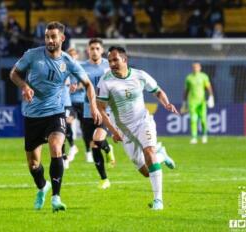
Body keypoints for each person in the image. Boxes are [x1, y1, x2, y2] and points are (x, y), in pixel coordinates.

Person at [9, 21, 102, 212]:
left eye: (53, 37)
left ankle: (56, 198)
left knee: (56, 147)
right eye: (47, 37)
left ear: (62, 38)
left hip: (56, 112)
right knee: (34, 164)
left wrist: (93, 106)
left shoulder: (68, 62)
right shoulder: (32, 55)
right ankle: (43, 188)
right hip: (33, 115)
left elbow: (88, 85)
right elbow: (14, 74)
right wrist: (24, 86)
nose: (50, 40)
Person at [96, 46, 177, 210]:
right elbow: (101, 109)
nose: (112, 63)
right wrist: (113, 130)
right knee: (145, 171)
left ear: (124, 60)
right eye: (110, 60)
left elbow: (157, 91)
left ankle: (158, 200)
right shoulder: (105, 81)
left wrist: (166, 103)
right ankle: (162, 156)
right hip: (124, 130)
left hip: (143, 122)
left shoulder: (140, 75)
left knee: (149, 152)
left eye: (115, 60)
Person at [81, 38, 115, 189]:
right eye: (92, 48)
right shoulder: (81, 67)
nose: (94, 51)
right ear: (88, 50)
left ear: (102, 50)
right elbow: (72, 81)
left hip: (104, 109)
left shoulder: (109, 66)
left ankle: (107, 148)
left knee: (98, 140)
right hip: (87, 110)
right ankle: (104, 179)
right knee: (93, 146)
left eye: (97, 48)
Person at [181, 62, 214, 144]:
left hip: (202, 101)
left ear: (200, 68)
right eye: (194, 67)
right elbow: (186, 91)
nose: (195, 69)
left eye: (197, 67)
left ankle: (204, 135)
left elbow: (208, 87)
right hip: (192, 102)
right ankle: (194, 137)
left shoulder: (204, 76)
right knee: (193, 120)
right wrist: (184, 102)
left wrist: (211, 97)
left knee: (203, 119)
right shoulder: (189, 78)